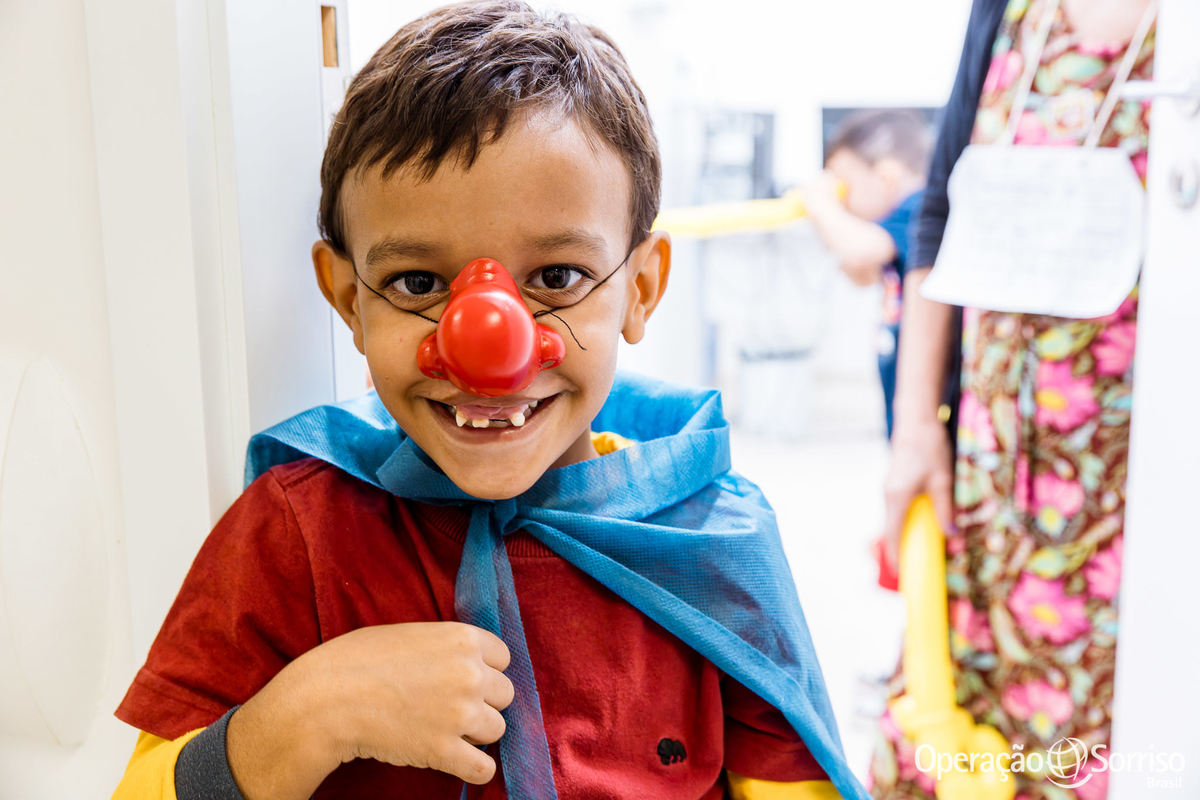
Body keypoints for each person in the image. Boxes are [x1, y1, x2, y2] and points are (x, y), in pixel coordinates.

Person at [109, 3, 867, 799]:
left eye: (556, 279)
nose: (488, 351)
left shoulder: (714, 543)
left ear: (640, 290)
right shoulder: (292, 533)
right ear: (348, 302)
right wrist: (313, 710)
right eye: (417, 284)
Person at [872, 0, 1154, 797]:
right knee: (954, 729)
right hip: (987, 482)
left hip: (1145, 496)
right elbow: (941, 215)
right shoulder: (1007, 9)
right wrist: (913, 432)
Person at [801, 109, 932, 440]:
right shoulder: (890, 232)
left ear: (886, 178)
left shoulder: (919, 207)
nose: (842, 202)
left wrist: (821, 204)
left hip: (929, 401)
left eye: (846, 188)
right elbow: (858, 271)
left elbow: (861, 251)